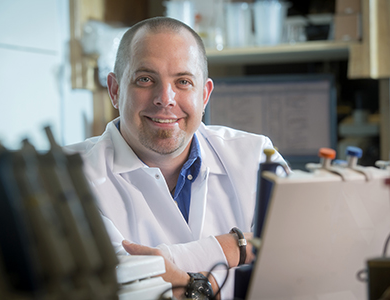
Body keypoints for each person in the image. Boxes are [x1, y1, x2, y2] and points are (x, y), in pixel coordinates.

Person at [66, 16, 286, 300]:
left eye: (183, 81)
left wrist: (164, 271)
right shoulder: (65, 176)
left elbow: (302, 265)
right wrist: (236, 246)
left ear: (204, 95)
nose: (165, 98)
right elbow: (115, 288)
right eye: (145, 79)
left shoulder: (255, 156)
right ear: (115, 90)